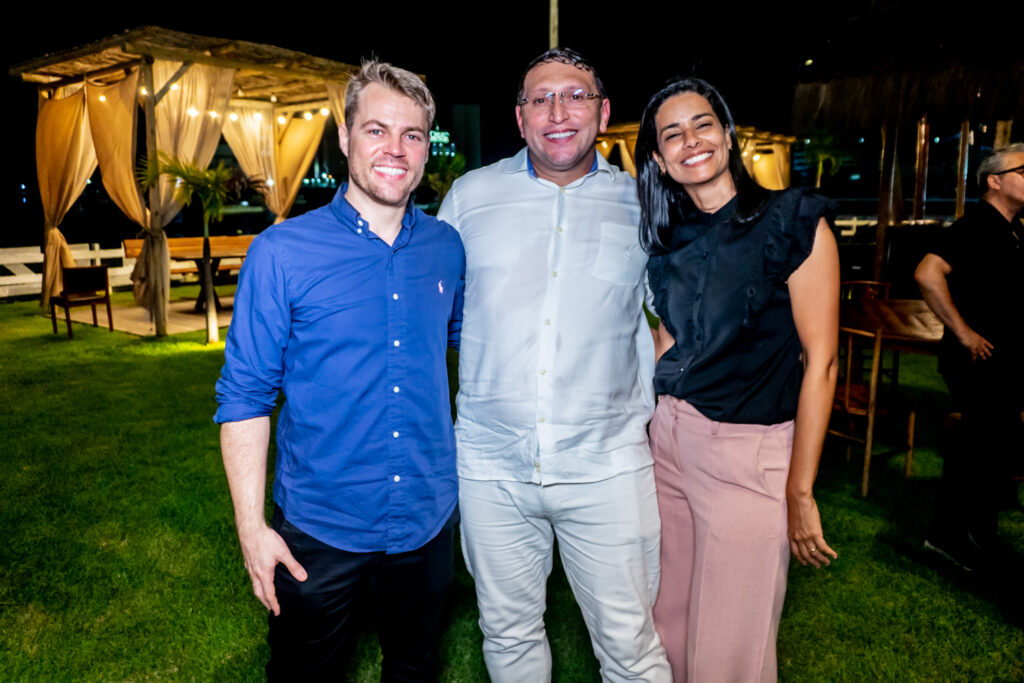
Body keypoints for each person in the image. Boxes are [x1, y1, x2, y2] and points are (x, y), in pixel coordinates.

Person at [214, 60, 465, 680]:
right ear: (346, 136)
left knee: (415, 666)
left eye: (412, 135)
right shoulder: (281, 252)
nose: (396, 150)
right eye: (377, 130)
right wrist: (251, 527)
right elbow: (245, 395)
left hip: (427, 522)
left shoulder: (446, 248)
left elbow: (467, 349)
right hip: (320, 531)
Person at [438, 47, 670, 682]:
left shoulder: (643, 205)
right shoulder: (470, 198)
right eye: (541, 98)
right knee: (507, 636)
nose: (558, 111)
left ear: (603, 112)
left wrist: (651, 401)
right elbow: (430, 313)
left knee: (631, 646)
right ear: (520, 118)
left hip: (607, 468)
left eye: (575, 95)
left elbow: (678, 320)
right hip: (492, 468)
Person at [634, 77, 840, 682]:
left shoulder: (792, 220)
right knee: (668, 623)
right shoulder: (670, 239)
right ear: (658, 159)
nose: (689, 141)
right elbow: (673, 342)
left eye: (702, 124)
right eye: (671, 135)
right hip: (667, 441)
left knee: (731, 650)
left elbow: (821, 363)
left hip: (746, 451)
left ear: (728, 134)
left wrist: (799, 493)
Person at [915, 143, 1024, 571]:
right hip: (980, 361)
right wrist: (963, 333)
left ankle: (979, 531)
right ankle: (945, 536)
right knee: (976, 449)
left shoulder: (1012, 229)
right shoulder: (978, 224)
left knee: (991, 450)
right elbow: (927, 272)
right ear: (995, 180)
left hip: (1005, 361)